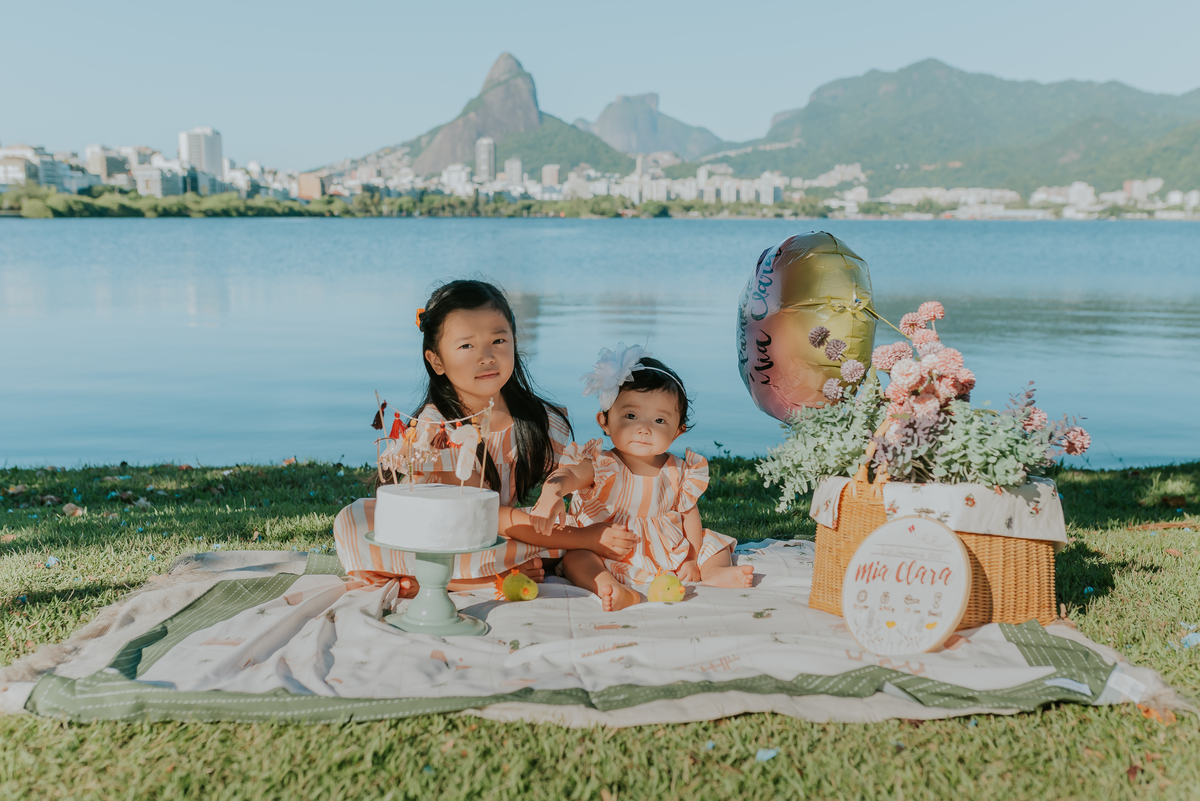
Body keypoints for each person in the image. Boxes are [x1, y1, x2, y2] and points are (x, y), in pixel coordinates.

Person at [333, 280, 637, 594]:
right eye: (467, 346)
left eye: (498, 340)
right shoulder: (436, 430)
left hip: (500, 536)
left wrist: (555, 492)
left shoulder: (538, 419)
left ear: (514, 341)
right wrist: (585, 538)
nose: (486, 356)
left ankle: (433, 578)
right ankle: (473, 579)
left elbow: (578, 473)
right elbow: (477, 515)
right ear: (437, 361)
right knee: (353, 522)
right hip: (440, 534)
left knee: (562, 526)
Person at [531, 345, 753, 611]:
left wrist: (691, 558)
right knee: (576, 558)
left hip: (667, 550)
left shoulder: (679, 470)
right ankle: (609, 586)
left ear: (678, 431)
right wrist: (553, 491)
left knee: (713, 543)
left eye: (659, 420)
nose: (643, 428)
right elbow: (569, 474)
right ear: (605, 421)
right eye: (631, 416)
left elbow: (689, 516)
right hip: (609, 549)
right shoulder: (602, 464)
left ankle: (715, 573)